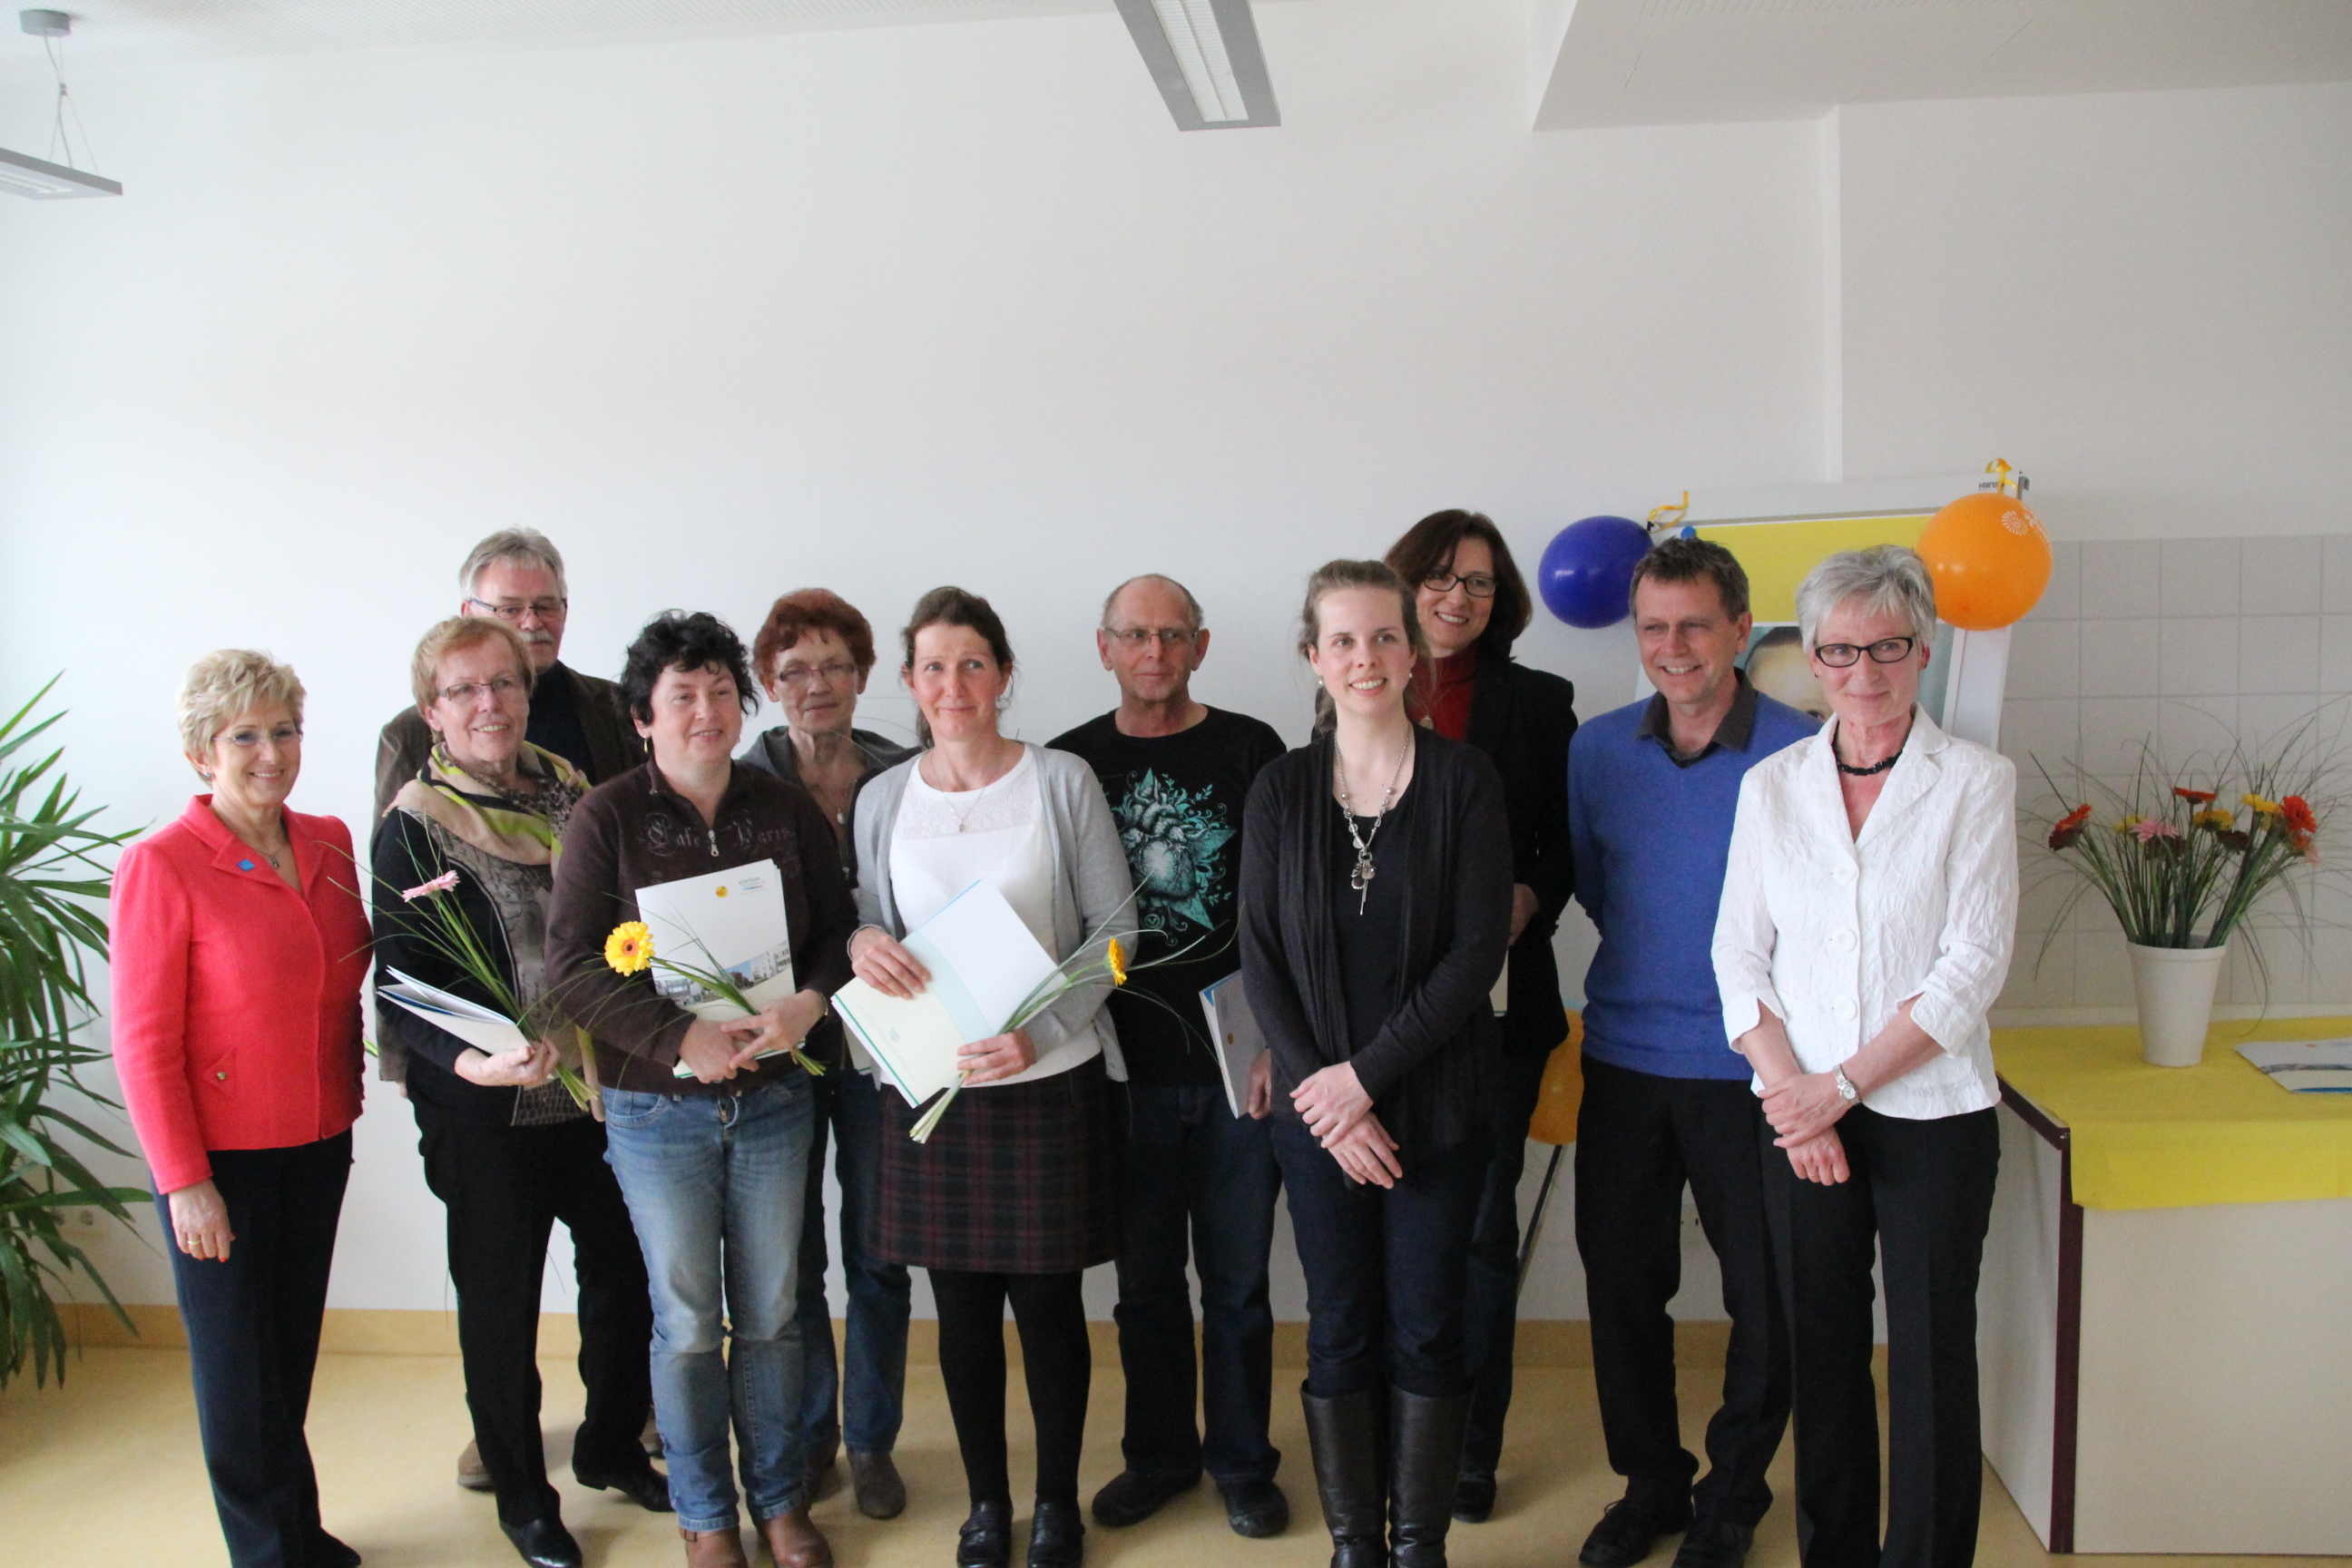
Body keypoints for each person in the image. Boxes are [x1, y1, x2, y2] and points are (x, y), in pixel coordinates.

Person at [1711, 545, 2015, 1568]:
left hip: (1933, 1112)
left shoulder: (1974, 781)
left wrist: (1838, 1088)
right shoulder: (1772, 786)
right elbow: (1738, 955)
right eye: (1839, 650)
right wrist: (1793, 1099)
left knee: (1929, 1353)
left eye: (1887, 646)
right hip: (1800, 1118)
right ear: (1810, 658)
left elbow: (1971, 967)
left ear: (1923, 650)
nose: (1864, 671)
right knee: (1823, 1350)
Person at [546, 612, 856, 1568]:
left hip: (775, 1102)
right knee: (684, 1324)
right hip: (655, 1112)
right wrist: (678, 1035)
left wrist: (807, 1006)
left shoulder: (785, 808)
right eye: (681, 695)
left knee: (773, 1314)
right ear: (643, 717)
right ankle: (705, 1516)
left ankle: (780, 1503)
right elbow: (571, 968)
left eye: (721, 690)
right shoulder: (606, 818)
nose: (705, 711)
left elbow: (838, 938)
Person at [848, 586, 1137, 1568]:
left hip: (1047, 1081)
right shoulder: (883, 797)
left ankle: (1056, 1507)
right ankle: (986, 1506)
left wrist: (1040, 1032)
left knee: (1050, 1312)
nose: (953, 684)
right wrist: (860, 940)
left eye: (973, 663)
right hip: (935, 1092)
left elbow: (1116, 935)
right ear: (909, 681)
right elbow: (869, 920)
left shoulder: (1061, 780)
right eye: (933, 666)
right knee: (962, 1313)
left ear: (1004, 675)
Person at [370, 616, 669, 1568]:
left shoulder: (579, 794)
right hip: (486, 1110)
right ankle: (524, 1498)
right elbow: (400, 981)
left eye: (502, 683)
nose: (488, 704)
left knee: (626, 1272)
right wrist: (470, 1062)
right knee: (500, 1306)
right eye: (462, 690)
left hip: (593, 1091)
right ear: (432, 712)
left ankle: (610, 1443)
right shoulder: (413, 826)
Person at [1239, 560, 1512, 1568]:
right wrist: (1331, 1102)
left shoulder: (1464, 782)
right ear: (1315, 657)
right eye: (1344, 640)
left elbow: (1475, 954)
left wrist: (1364, 1081)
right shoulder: (1280, 789)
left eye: (1384, 637)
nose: (1365, 657)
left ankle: (1418, 1547)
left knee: (1430, 1326)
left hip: (1438, 1110)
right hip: (1317, 1120)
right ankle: (1357, 1545)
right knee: (1340, 1325)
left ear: (1412, 652)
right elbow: (1261, 958)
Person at [1565, 537, 1815, 1568]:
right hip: (1625, 1059)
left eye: (1695, 625)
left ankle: (1734, 1496)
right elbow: (1597, 884)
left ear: (1741, 630)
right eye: (1654, 627)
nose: (1673, 647)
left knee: (1766, 1295)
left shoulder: (1804, 749)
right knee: (1621, 1285)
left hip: (1755, 1072)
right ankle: (1651, 1484)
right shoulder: (1596, 750)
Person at [110, 650, 373, 1568]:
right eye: (245, 737)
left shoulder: (329, 840)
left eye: (285, 731)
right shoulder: (161, 865)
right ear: (201, 753)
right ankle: (268, 1554)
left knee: (286, 1355)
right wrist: (184, 1182)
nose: (272, 753)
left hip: (319, 1139)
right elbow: (143, 1043)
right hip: (218, 1162)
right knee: (236, 1371)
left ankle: (296, 1532)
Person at [1047, 574, 1291, 1539]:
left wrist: (1275, 1042)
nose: (1155, 652)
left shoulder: (1254, 750)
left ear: (1200, 645)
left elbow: (1285, 909)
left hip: (1238, 1068)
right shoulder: (1067, 764)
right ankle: (1157, 1458)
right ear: (1104, 646)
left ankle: (1242, 1463)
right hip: (1116, 1071)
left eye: (1173, 635)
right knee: (1144, 1290)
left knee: (1239, 1288)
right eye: (1136, 635)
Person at [1380, 510, 1578, 1524]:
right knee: (1391, 1235)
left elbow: (1568, 841)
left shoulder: (1539, 702)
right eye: (1441, 577)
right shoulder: (1359, 686)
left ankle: (1466, 1450)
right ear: (1404, 584)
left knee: (1480, 1240)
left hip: (1497, 1014)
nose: (1458, 597)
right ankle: (1391, 1437)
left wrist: (1531, 897)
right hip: (1379, 1022)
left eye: (1481, 583)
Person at [738, 588, 918, 1520]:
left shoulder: (905, 774)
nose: (817, 685)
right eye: (795, 670)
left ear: (864, 675)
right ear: (769, 683)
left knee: (881, 1251)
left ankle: (871, 1440)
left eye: (836, 666)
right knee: (792, 1256)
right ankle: (811, 1441)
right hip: (786, 1051)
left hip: (888, 1047)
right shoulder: (744, 785)